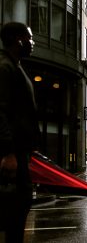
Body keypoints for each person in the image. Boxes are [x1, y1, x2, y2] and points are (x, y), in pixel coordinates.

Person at [0, 22, 39, 243]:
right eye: (30, 38)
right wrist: (9, 153)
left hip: (20, 153)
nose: (33, 43)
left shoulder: (14, 66)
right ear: (18, 40)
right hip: (12, 156)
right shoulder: (5, 67)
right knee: (14, 211)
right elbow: (0, 111)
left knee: (18, 211)